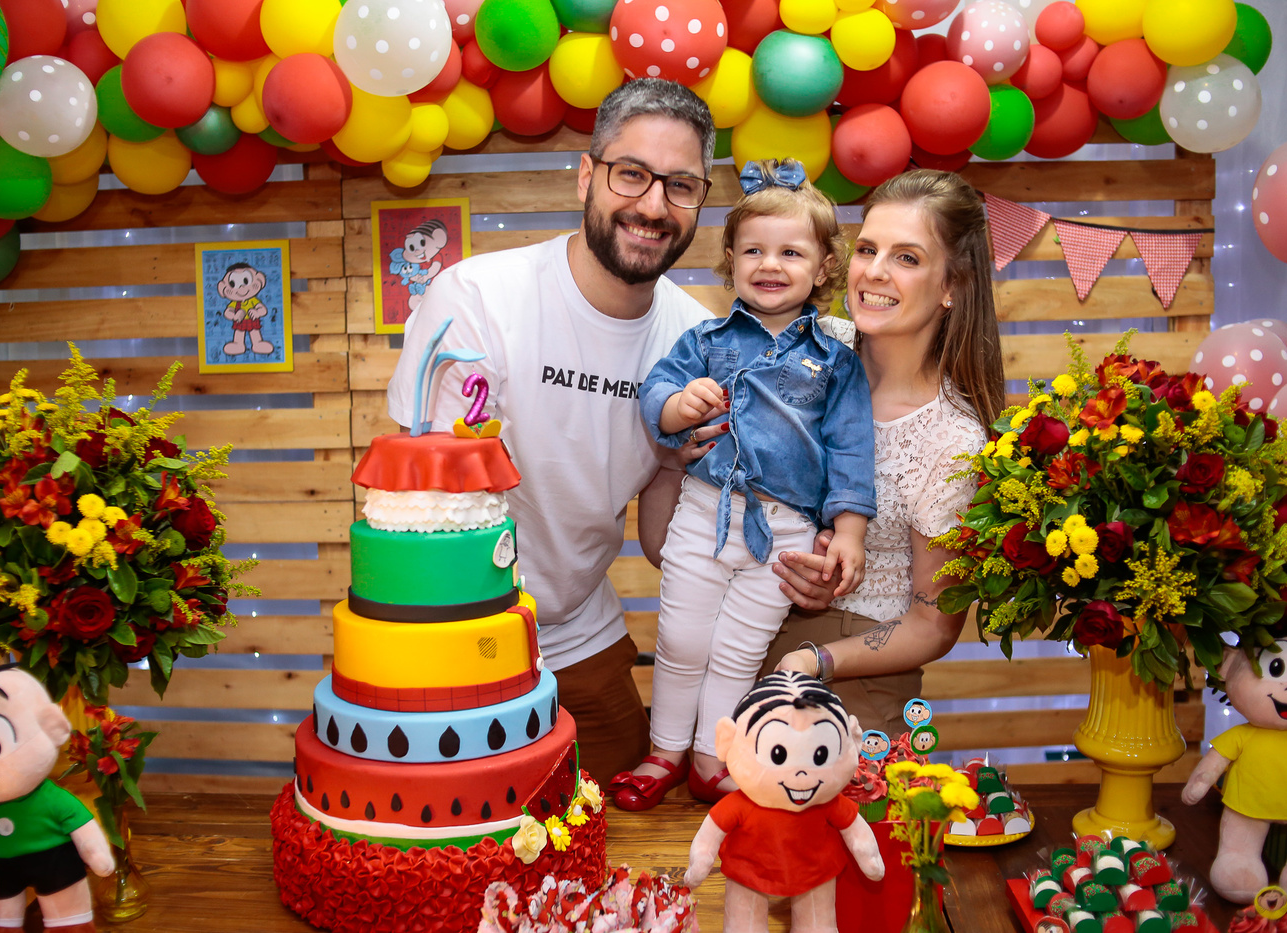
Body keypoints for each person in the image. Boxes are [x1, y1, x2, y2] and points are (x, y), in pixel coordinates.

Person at [386, 79, 718, 786]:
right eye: (632, 174)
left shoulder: (697, 342)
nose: (653, 206)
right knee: (462, 824)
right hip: (455, 628)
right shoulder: (478, 297)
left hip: (579, 628)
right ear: (586, 175)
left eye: (681, 185)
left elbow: (666, 538)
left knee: (618, 809)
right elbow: (429, 502)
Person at [610, 160, 875, 810]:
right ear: (730, 260)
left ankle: (711, 759)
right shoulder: (705, 339)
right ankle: (664, 751)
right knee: (681, 640)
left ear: (824, 267)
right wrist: (679, 407)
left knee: (737, 650)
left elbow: (851, 450)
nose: (770, 264)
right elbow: (657, 391)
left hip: (785, 532)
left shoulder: (837, 362)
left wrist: (848, 530)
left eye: (791, 252)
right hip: (706, 511)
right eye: (753, 250)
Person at [767, 169, 1006, 739]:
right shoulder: (806, 343)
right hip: (744, 631)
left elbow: (932, 625)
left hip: (854, 677)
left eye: (907, 257)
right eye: (867, 249)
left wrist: (815, 660)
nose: (874, 271)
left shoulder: (952, 440)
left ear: (953, 285)